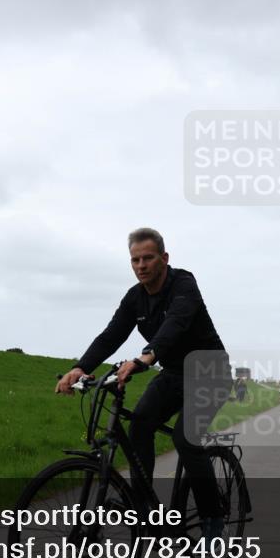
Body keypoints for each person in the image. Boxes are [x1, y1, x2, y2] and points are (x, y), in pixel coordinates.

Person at [55, 228, 231, 540]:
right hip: (174, 374)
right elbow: (111, 335)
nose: (141, 266)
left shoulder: (183, 283)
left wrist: (147, 356)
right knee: (138, 427)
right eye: (135, 260)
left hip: (210, 373)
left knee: (186, 439)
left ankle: (213, 518)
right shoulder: (134, 298)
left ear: (164, 258)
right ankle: (144, 509)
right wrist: (80, 368)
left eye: (148, 258)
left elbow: (176, 323)